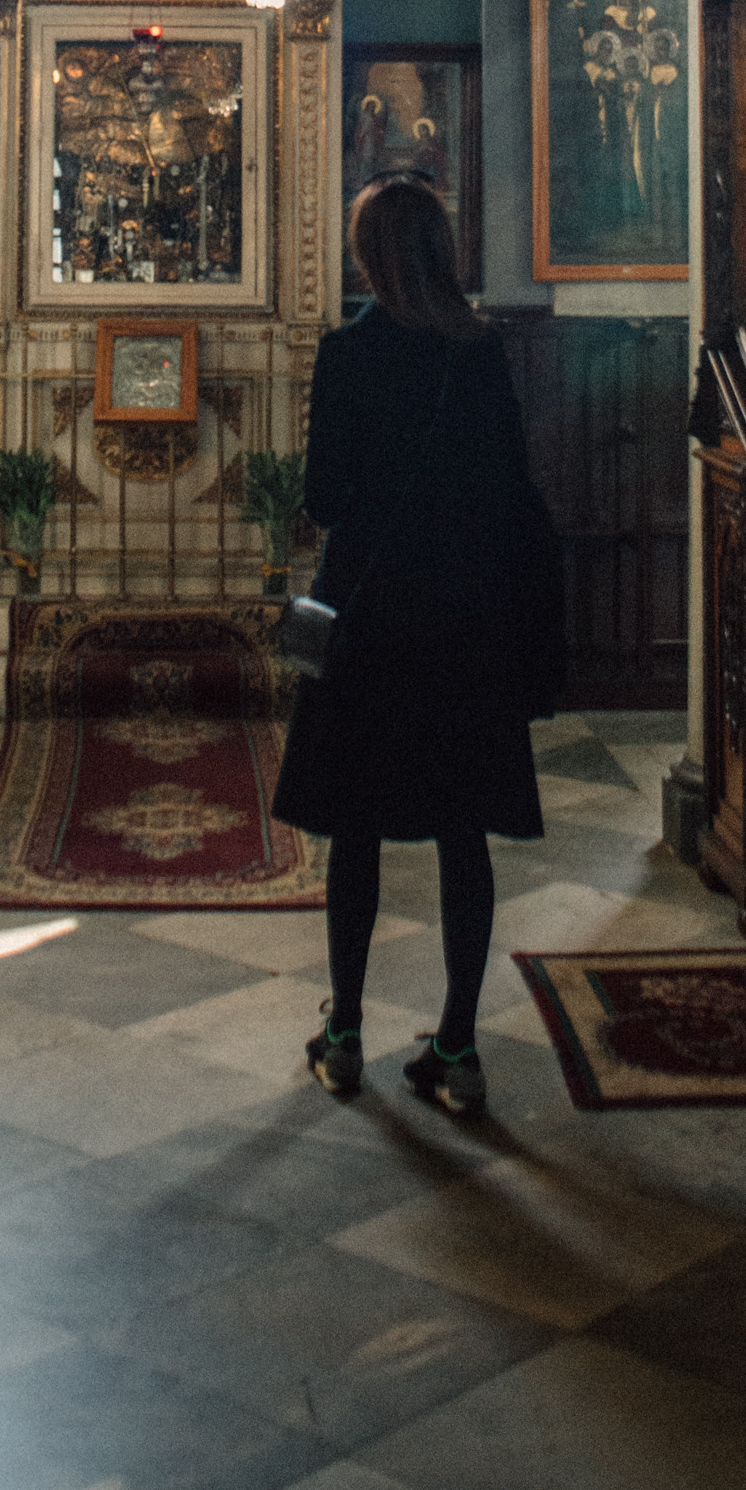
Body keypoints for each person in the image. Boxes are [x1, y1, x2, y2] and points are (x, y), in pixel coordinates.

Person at [271, 176, 564, 1119]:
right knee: (462, 830)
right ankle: (458, 1044)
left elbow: (324, 500)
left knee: (356, 829)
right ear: (443, 248)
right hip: (466, 619)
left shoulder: (349, 355)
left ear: (366, 257)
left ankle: (346, 1032)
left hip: (370, 621)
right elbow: (513, 487)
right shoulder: (481, 356)